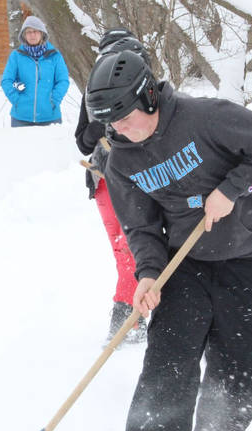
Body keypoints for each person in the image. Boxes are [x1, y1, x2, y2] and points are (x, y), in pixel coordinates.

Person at [85, 49, 252, 431]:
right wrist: (147, 275)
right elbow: (140, 228)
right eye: (109, 125)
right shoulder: (121, 162)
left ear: (148, 95)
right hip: (187, 266)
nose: (119, 131)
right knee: (164, 374)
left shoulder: (208, 118)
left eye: (124, 118)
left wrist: (234, 187)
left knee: (237, 372)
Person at [75, 30, 146, 343]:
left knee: (146, 248)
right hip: (107, 178)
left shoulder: (144, 86)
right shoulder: (94, 88)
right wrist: (100, 120)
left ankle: (141, 313)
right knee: (127, 247)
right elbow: (82, 141)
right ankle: (127, 319)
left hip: (145, 176)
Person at [0, 15, 69, 128]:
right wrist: (17, 101)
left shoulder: (54, 56)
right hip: (21, 118)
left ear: (42, 34)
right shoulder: (16, 56)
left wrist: (54, 101)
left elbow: (63, 81)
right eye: (28, 32)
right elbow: (6, 81)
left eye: (36, 31)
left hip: (50, 118)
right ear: (24, 35)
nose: (32, 35)